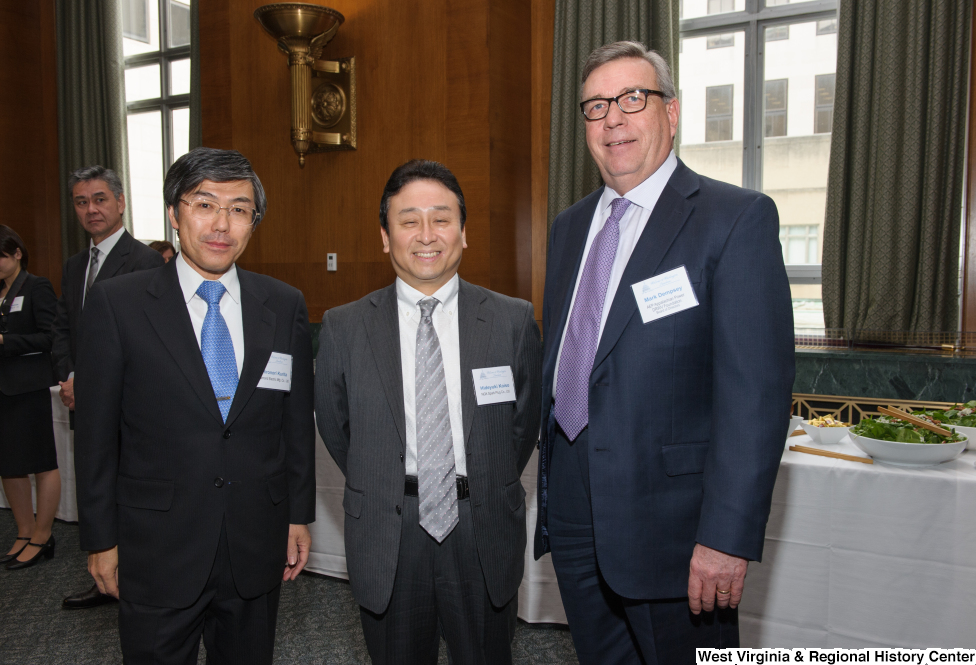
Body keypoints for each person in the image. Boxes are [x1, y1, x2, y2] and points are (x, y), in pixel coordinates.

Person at [535, 41, 795, 662]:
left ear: (670, 113)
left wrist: (727, 538)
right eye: (596, 106)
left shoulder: (735, 219)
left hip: (677, 533)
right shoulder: (570, 228)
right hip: (574, 515)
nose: (613, 119)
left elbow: (755, 398)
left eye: (632, 98)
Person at [74, 147, 315, 665]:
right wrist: (100, 539)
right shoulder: (118, 305)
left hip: (254, 539)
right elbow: (94, 436)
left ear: (254, 221)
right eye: (204, 204)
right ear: (173, 213)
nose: (221, 223)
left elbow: (294, 424)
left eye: (239, 208)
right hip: (156, 545)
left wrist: (298, 515)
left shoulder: (284, 303)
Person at [316, 160, 542, 665]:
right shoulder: (344, 327)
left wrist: (480, 473)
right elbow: (336, 427)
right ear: (384, 235)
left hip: (480, 525)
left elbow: (522, 425)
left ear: (463, 233)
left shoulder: (512, 320)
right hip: (388, 531)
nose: (426, 234)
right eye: (408, 220)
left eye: (441, 218)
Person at [54, 166, 164, 609]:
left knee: (129, 490)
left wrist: (92, 382)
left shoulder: (144, 262)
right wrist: (69, 374)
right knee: (96, 482)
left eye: (100, 199)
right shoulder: (74, 265)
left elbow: (148, 344)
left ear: (121, 202)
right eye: (82, 202)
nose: (91, 209)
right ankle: (105, 569)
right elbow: (64, 328)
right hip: (82, 397)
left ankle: (135, 578)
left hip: (127, 405)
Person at [0, 225, 61, 570]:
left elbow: (50, 337)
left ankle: (43, 535)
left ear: (16, 253)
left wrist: (1, 341)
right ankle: (24, 532)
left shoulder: (36, 286)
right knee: (7, 465)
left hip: (27, 388)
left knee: (40, 462)